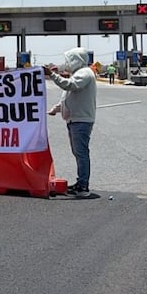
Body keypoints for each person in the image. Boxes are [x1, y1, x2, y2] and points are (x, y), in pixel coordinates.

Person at [43, 47, 97, 197]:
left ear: (76, 60)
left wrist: (52, 75)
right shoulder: (78, 74)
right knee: (78, 152)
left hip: (81, 120)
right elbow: (69, 98)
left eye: (69, 60)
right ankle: (80, 183)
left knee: (81, 153)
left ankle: (83, 186)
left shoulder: (84, 74)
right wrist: (56, 109)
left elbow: (70, 86)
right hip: (74, 119)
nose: (67, 63)